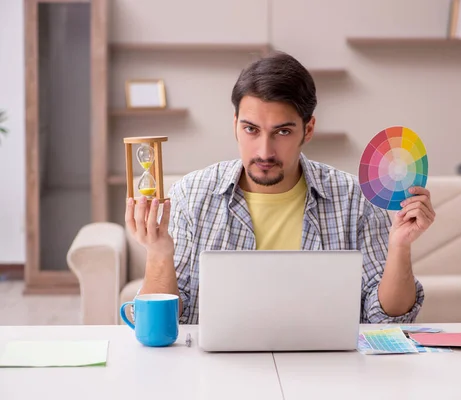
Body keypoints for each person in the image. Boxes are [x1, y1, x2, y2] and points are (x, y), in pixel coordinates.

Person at [125, 51, 436, 324]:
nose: (264, 151)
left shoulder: (354, 200)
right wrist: (159, 253)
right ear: (235, 124)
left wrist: (400, 246)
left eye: (283, 131)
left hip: (327, 375)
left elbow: (390, 318)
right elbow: (164, 324)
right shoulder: (191, 195)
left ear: (308, 129)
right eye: (251, 129)